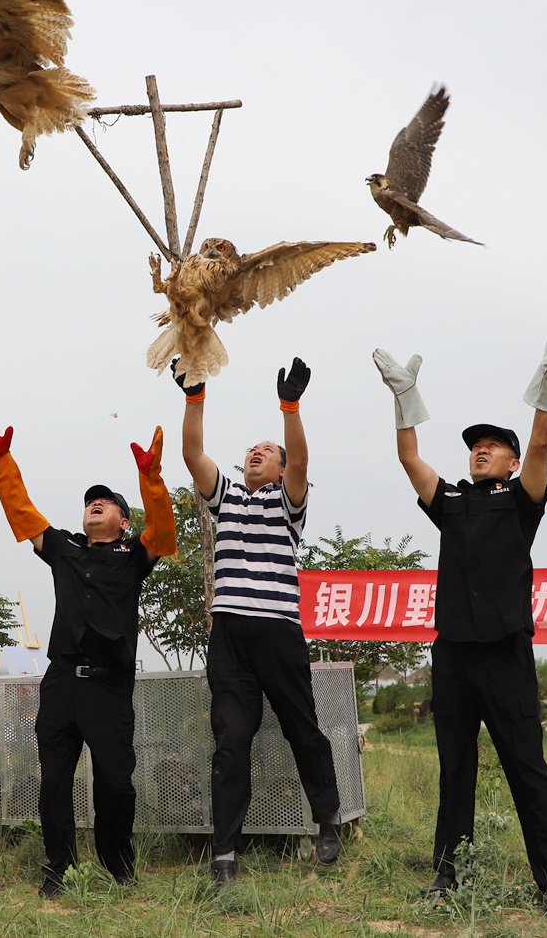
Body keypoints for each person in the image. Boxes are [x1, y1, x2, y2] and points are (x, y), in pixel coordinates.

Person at [373, 325, 547, 920]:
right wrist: (404, 401)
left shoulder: (522, 500)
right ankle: (449, 876)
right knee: (455, 768)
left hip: (506, 655)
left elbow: (541, 447)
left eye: (492, 445)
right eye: (474, 445)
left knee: (528, 770)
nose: (479, 450)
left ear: (511, 461)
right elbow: (409, 457)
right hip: (455, 656)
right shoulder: (454, 503)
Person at [0, 418, 176, 897]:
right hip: (61, 683)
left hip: (108, 686)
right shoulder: (64, 549)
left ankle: (118, 866)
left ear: (124, 520)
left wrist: (151, 479)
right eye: (88, 502)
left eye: (106, 502)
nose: (94, 504)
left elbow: (162, 530)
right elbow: (23, 514)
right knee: (54, 784)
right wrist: (0, 461)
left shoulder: (134, 555)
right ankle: (59, 866)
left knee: (117, 786)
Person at [177, 357, 343, 884]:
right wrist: (194, 398)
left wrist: (289, 409)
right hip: (228, 636)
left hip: (277, 632)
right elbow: (192, 454)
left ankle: (328, 817)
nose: (257, 452)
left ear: (279, 467)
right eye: (252, 448)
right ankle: (224, 852)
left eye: (268, 450)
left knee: (303, 730)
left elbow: (302, 464)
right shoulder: (224, 500)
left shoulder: (288, 502)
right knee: (230, 741)